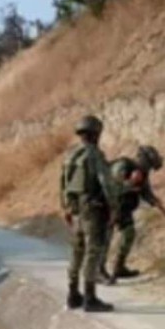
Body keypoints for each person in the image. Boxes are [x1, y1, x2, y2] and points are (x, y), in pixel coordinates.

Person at [60, 115, 117, 313]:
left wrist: (66, 208)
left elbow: (63, 184)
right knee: (93, 251)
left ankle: (73, 294)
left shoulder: (71, 156)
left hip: (75, 210)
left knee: (77, 251)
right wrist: (114, 207)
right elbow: (106, 182)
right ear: (96, 134)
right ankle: (90, 298)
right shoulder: (95, 155)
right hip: (93, 209)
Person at [101, 145, 164, 283]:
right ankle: (99, 270)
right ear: (142, 159)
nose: (148, 169)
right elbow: (113, 187)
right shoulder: (122, 165)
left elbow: (145, 191)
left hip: (124, 208)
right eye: (149, 165)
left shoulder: (142, 173)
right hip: (109, 206)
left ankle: (119, 267)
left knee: (129, 233)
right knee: (106, 238)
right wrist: (131, 182)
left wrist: (154, 201)